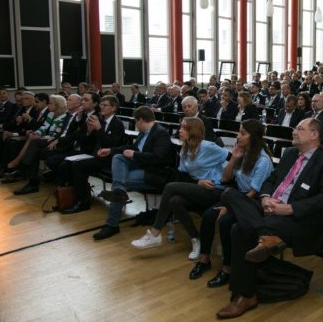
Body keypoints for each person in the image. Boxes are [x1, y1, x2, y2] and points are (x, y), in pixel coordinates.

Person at [216, 118, 323, 319]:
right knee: (228, 195)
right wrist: (265, 197)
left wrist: (289, 208)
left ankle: (245, 295)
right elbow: (272, 180)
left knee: (238, 229)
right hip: (268, 207)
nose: (294, 131)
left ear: (314, 135)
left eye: (299, 128)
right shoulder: (290, 153)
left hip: (295, 217)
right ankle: (264, 236)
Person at [130, 117, 229, 260]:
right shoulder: (185, 150)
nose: (179, 130)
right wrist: (198, 182)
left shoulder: (207, 146)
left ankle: (155, 232)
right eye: (180, 127)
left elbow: (233, 158)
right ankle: (196, 239)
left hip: (215, 190)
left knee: (170, 187)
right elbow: (181, 176)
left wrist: (227, 179)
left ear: (193, 131)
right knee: (175, 201)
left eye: (184, 128)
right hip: (199, 190)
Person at [191, 120, 274, 287]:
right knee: (208, 216)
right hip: (235, 196)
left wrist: (229, 207)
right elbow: (225, 178)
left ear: (254, 137)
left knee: (225, 221)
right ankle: (204, 259)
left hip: (251, 202)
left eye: (243, 133)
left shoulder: (263, 161)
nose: (238, 136)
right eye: (239, 132)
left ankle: (227, 268)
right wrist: (234, 159)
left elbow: (253, 193)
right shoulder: (244, 153)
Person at [93, 107, 175, 240]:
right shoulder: (144, 132)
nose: (136, 125)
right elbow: (132, 148)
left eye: (136, 122)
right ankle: (119, 192)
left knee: (119, 184)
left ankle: (112, 224)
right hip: (143, 166)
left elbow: (158, 158)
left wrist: (135, 154)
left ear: (141, 120)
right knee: (118, 158)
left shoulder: (161, 134)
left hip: (154, 173)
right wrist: (111, 150)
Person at [62, 95, 126, 213]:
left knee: (78, 165)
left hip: (109, 158)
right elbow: (88, 141)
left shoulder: (117, 124)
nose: (101, 107)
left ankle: (83, 202)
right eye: (101, 104)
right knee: (69, 162)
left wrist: (99, 129)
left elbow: (112, 145)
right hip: (96, 155)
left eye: (105, 105)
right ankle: (72, 197)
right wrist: (89, 131)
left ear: (113, 108)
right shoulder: (100, 120)